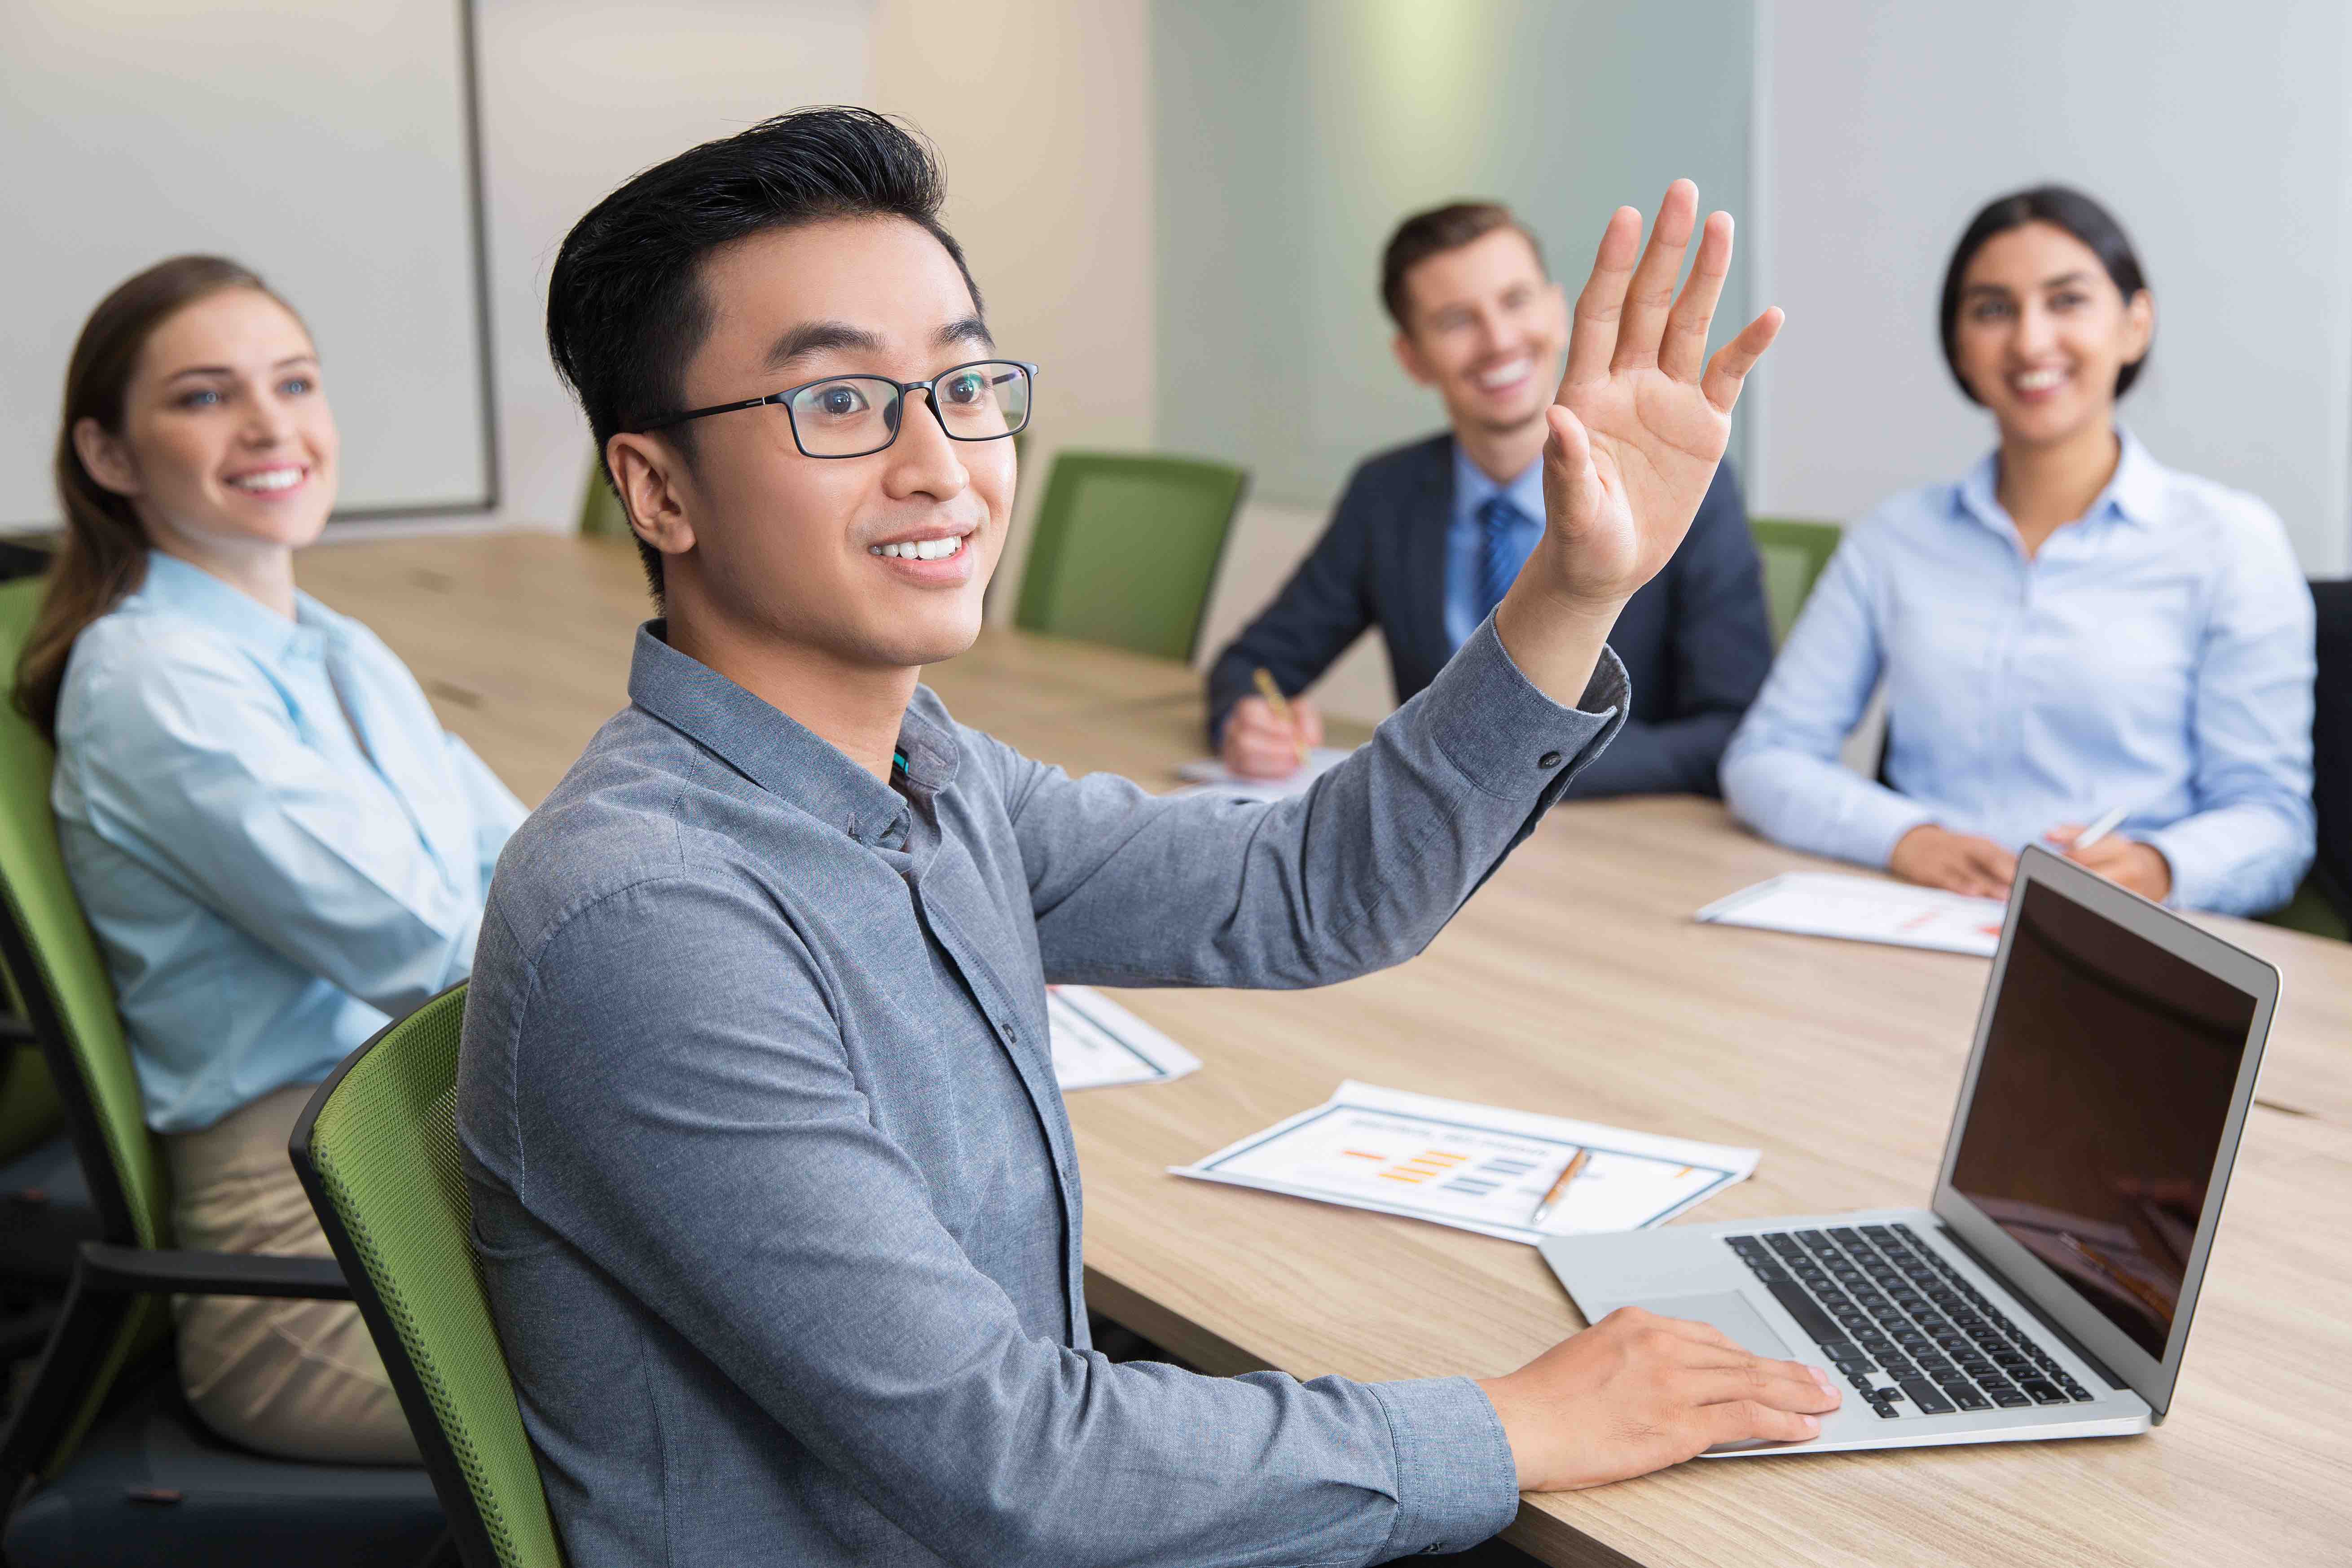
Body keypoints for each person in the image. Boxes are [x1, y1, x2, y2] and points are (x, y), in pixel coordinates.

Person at [457, 108, 1833, 1568]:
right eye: (844, 405)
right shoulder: (656, 917)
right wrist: (1512, 1424)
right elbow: (1028, 1472)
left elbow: (1312, 890)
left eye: (965, 385)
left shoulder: (931, 774)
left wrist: (1572, 583)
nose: (943, 464)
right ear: (656, 489)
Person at [16, 255, 526, 1462]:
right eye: (203, 397)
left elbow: (530, 866)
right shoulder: (154, 683)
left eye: (293, 382)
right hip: (313, 1267)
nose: (269, 425)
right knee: (751, 1391)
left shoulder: (334, 645)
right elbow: (438, 954)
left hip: (432, 1168)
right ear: (109, 456)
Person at [1720, 186, 2314, 917]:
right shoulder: (1894, 540)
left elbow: (2272, 820)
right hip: (1921, 922)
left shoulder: (2231, 543)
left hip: (2130, 939)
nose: (2031, 342)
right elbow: (1765, 759)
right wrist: (1909, 837)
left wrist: (2162, 867)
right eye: (1993, 310)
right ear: (1960, 350)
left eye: (2067, 302)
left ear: (2135, 325)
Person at [1204, 200, 1774, 794]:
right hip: (1435, 859)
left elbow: (1733, 732)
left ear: (1557, 312)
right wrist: (1246, 719)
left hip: (1615, 844)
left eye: (1515, 301)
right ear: (1412, 357)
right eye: (1456, 320)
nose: (1499, 341)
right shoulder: (1387, 494)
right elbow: (1253, 665)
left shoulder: (1680, 491)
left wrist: (1516, 766)